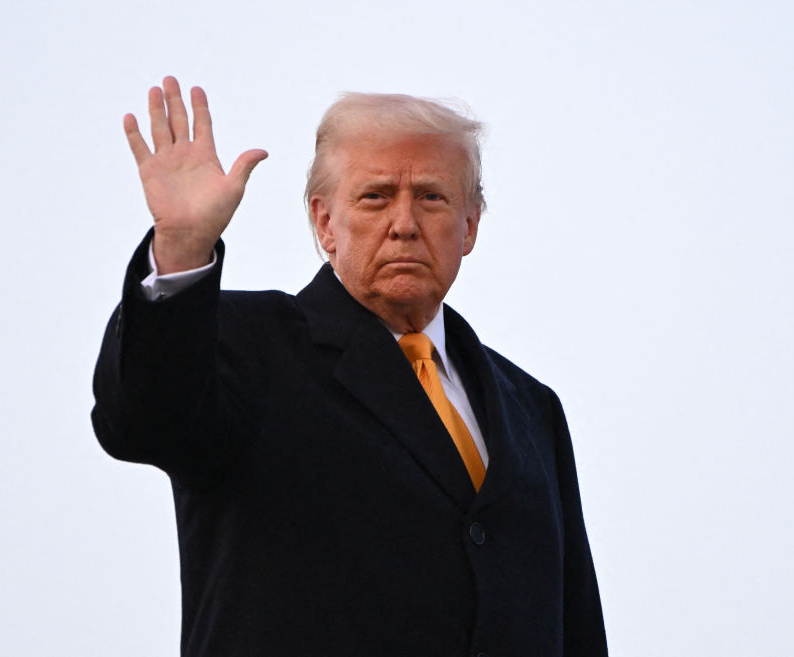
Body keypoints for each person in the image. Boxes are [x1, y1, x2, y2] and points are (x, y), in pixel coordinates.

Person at [92, 76, 607, 657]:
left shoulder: (532, 407)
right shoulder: (245, 344)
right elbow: (142, 420)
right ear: (325, 223)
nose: (405, 223)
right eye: (376, 196)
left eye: (433, 197)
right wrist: (182, 249)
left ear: (469, 226)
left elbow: (576, 623)